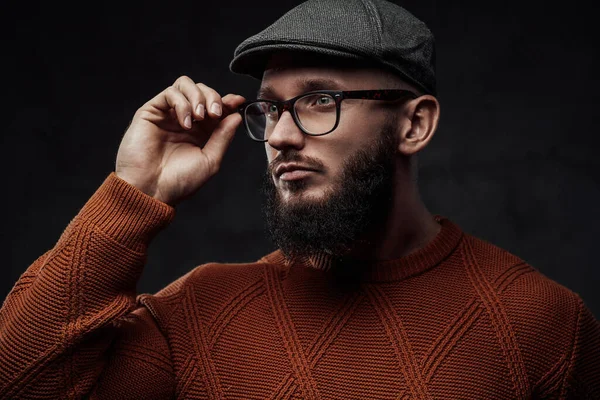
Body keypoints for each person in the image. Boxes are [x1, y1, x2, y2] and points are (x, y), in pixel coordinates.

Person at [1, 0, 599, 398]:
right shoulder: (196, 315)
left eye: (320, 100)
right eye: (270, 107)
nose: (281, 136)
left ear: (414, 125)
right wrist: (136, 193)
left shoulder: (541, 322)